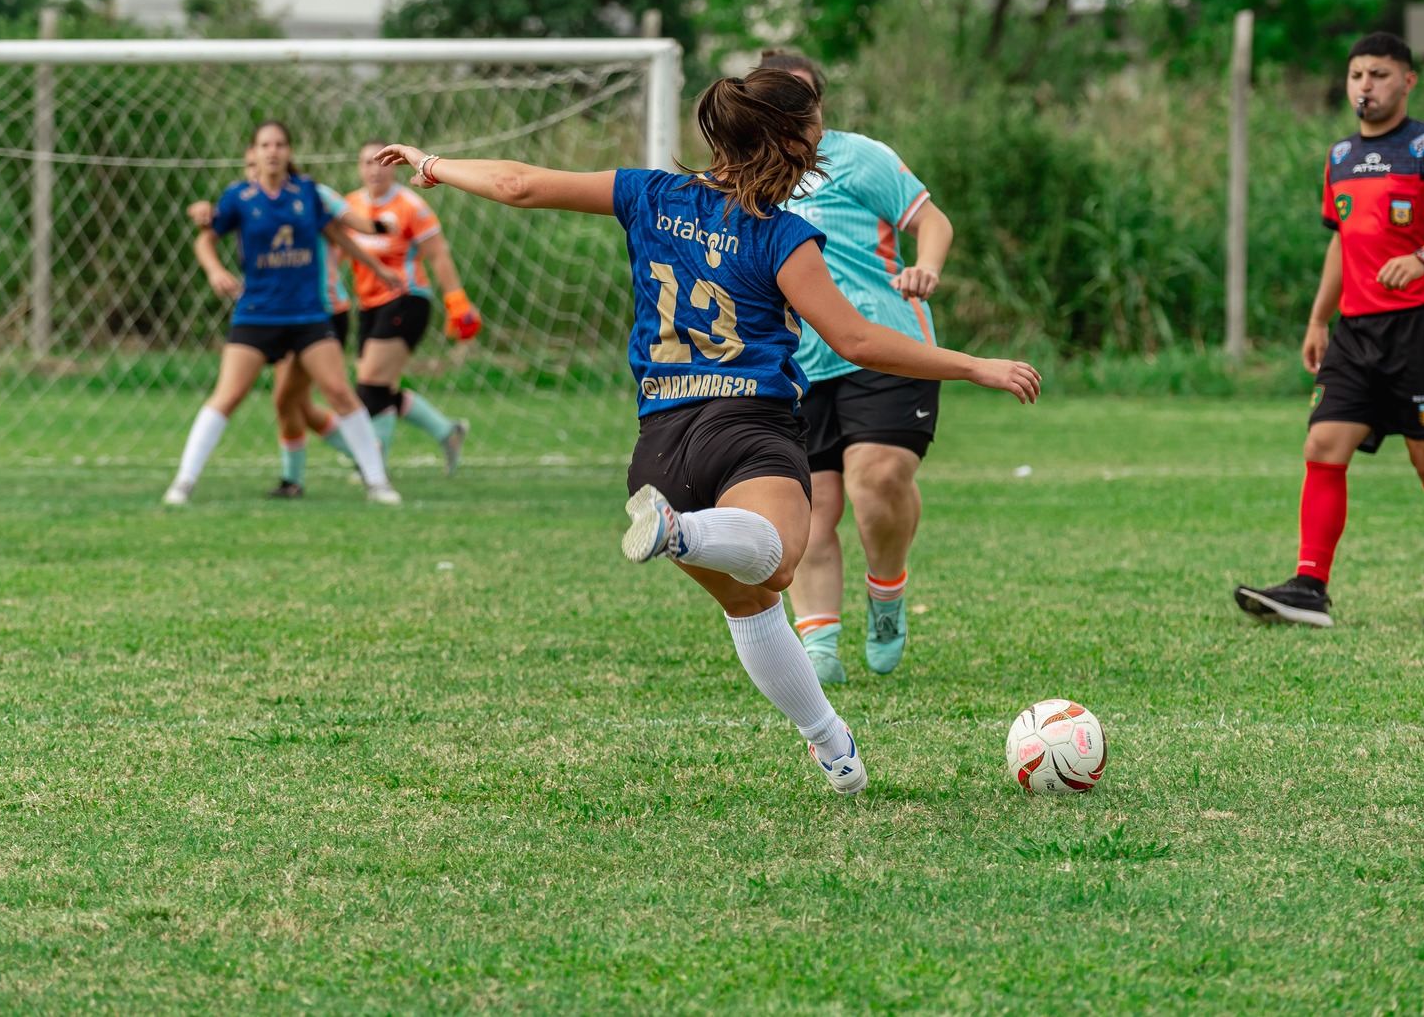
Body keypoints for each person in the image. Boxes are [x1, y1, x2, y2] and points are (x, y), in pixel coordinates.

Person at [370, 68, 1042, 796]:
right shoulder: (783, 235)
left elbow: (520, 183)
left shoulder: (649, 194)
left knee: (749, 602)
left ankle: (832, 744)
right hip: (745, 426)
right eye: (814, 125)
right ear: (788, 140)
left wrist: (433, 165)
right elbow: (856, 340)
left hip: (659, 443)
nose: (822, 134)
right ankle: (683, 533)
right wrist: (973, 364)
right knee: (781, 561)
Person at [1235, 32, 1424, 628]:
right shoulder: (1340, 157)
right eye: (1356, 75)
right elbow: (1341, 242)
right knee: (1323, 445)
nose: (1365, 86)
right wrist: (1318, 318)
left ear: (1408, 81)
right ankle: (1309, 587)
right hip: (1355, 331)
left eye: (1379, 74)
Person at [762, 49, 955, 685]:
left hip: (885, 342)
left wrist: (926, 265)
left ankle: (887, 594)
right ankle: (819, 643)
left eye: (804, 100)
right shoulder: (752, 175)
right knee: (812, 505)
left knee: (877, 478)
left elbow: (931, 220)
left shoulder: (858, 156)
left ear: (819, 106)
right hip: (797, 364)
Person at [162, 121, 406, 507]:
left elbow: (337, 235)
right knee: (228, 396)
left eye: (279, 144)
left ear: (289, 151)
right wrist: (214, 270)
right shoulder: (239, 197)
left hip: (307, 315)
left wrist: (378, 268)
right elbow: (206, 239)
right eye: (265, 144)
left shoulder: (307, 192)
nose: (272, 151)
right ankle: (183, 483)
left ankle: (378, 483)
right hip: (257, 313)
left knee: (339, 392)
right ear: (253, 153)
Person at [337, 140, 477, 471]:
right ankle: (448, 431)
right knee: (379, 388)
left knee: (369, 382)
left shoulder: (410, 206)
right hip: (368, 306)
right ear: (359, 167)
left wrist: (457, 302)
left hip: (407, 300)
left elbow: (438, 255)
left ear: (395, 167)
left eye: (382, 163)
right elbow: (338, 250)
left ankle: (373, 466)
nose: (375, 169)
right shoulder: (350, 205)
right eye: (367, 163)